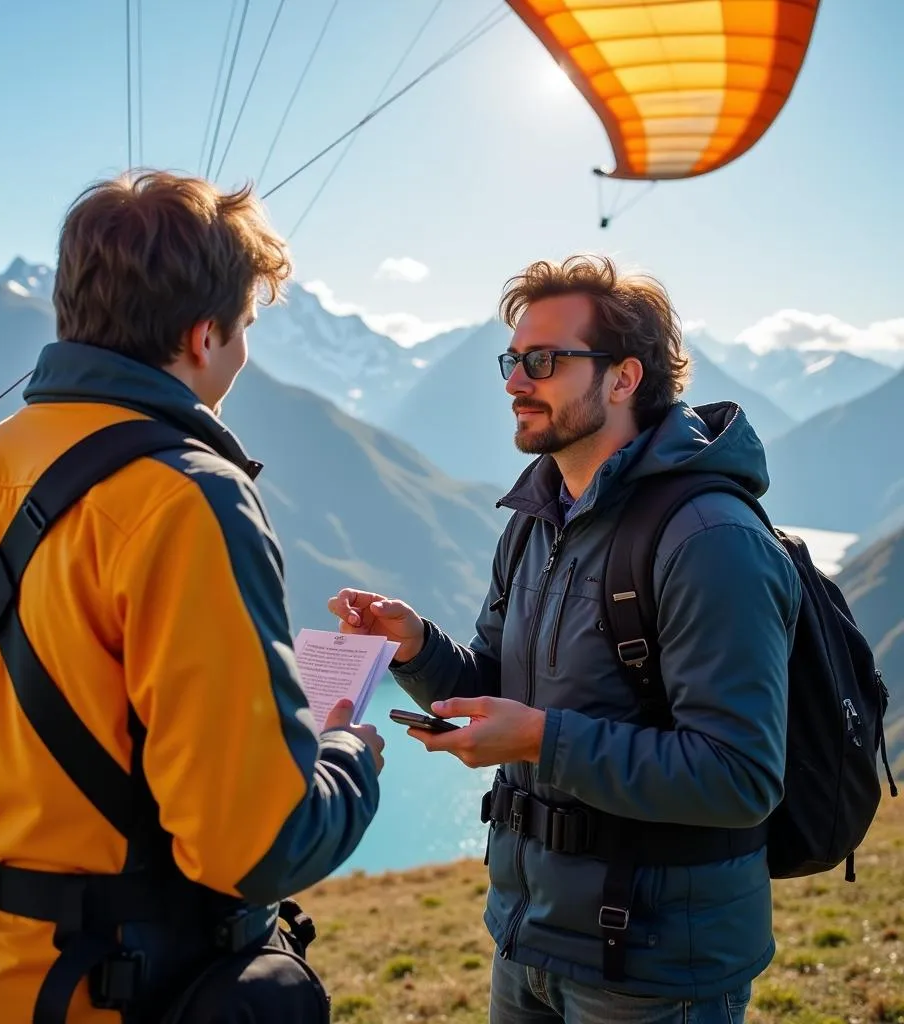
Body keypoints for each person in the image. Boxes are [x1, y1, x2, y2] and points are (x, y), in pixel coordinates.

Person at [0, 171, 384, 1023]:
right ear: (202, 336)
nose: (245, 351)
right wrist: (348, 763)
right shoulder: (187, 499)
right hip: (107, 993)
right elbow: (253, 845)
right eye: (246, 328)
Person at [328, 254, 802, 1024]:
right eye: (512, 361)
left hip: (653, 969)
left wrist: (541, 742)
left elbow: (739, 776)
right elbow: (503, 682)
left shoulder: (710, 538)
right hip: (530, 939)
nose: (516, 381)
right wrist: (415, 646)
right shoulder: (535, 520)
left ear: (624, 378)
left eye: (542, 362)